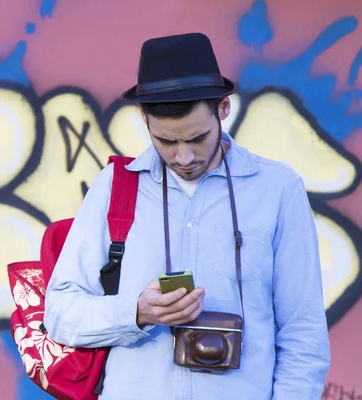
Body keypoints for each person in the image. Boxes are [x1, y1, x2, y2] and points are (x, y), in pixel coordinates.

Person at [43, 33, 330, 399]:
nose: (184, 157)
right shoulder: (114, 187)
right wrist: (137, 312)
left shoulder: (277, 189)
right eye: (166, 142)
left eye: (197, 138)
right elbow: (61, 313)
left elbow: (302, 334)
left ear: (223, 109)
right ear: (144, 118)